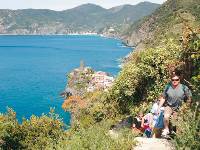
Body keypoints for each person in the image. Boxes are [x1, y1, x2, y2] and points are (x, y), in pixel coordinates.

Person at [157, 72, 192, 137]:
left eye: (176, 80)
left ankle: (178, 138)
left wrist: (187, 107)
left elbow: (189, 98)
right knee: (166, 116)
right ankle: (166, 129)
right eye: (173, 80)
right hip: (169, 106)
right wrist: (158, 108)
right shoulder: (167, 87)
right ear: (171, 80)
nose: (174, 81)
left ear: (179, 80)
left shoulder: (184, 87)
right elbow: (163, 98)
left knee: (178, 123)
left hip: (180, 107)